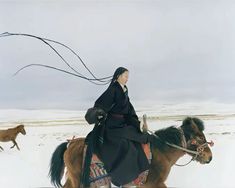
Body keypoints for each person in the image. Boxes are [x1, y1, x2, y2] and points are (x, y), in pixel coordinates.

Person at [84, 67, 154, 186]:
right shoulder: (113, 89)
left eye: (128, 76)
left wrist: (137, 123)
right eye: (125, 76)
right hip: (112, 127)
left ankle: (137, 172)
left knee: (138, 137)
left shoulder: (124, 91)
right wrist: (99, 112)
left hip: (122, 125)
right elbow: (100, 104)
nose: (127, 79)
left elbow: (129, 110)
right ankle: (123, 177)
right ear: (118, 76)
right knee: (126, 144)